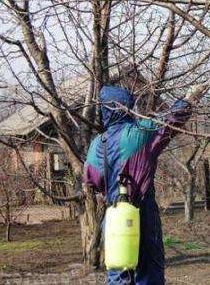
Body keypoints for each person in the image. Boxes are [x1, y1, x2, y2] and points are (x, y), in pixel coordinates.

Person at [83, 85, 203, 284]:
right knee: (149, 272)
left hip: (113, 215)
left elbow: (91, 180)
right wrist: (189, 99)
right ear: (126, 108)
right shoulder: (140, 132)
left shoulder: (97, 144)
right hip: (142, 213)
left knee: (119, 272)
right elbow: (169, 120)